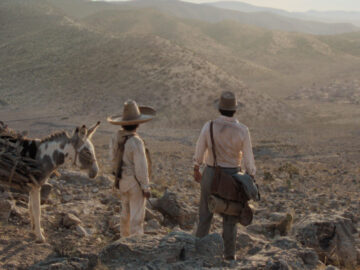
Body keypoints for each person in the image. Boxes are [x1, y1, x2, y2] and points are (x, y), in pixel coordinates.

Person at [193, 91, 256, 260]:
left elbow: (200, 150)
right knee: (230, 218)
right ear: (235, 110)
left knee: (205, 214)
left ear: (220, 109)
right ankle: (229, 256)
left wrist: (196, 167)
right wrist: (250, 176)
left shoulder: (209, 126)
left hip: (211, 173)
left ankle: (199, 253)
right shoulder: (243, 130)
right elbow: (249, 158)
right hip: (233, 177)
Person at [108, 100, 155, 237]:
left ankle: (124, 239)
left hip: (122, 180)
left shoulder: (116, 137)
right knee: (137, 216)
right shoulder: (136, 142)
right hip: (135, 183)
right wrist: (146, 187)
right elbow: (141, 167)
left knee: (125, 213)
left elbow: (112, 158)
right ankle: (135, 244)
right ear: (138, 123)